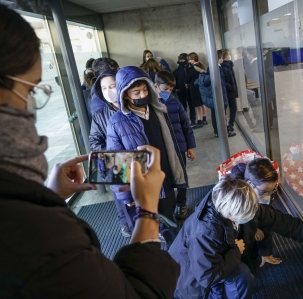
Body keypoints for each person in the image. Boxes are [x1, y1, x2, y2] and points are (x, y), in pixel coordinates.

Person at [0, 4, 179, 297]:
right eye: (31, 90)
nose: (31, 111)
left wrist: (48, 197)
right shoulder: (29, 239)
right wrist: (146, 210)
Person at [169, 175, 303, 299]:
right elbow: (206, 277)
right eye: (245, 215)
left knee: (244, 260)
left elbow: (276, 218)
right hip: (192, 282)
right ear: (230, 213)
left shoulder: (238, 202)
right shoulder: (205, 231)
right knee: (242, 275)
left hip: (214, 260)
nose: (252, 215)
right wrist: (235, 251)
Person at [106, 66, 187, 243]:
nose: (142, 95)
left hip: (164, 176)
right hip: (141, 187)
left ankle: (177, 257)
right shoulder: (116, 123)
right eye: (136, 92)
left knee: (169, 221)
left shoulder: (158, 110)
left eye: (144, 90)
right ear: (125, 94)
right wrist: (126, 196)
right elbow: (116, 164)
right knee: (149, 230)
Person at [89, 69, 133, 237]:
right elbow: (94, 141)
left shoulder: (134, 106)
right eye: (104, 88)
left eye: (113, 86)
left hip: (141, 161)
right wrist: (114, 154)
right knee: (123, 198)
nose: (109, 91)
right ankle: (127, 225)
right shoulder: (100, 114)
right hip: (117, 163)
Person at [154, 70, 196, 220]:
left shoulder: (175, 102)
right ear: (156, 86)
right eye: (165, 89)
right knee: (166, 180)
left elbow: (186, 125)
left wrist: (189, 147)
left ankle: (182, 204)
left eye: (171, 90)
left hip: (179, 148)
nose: (168, 93)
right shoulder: (150, 105)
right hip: (163, 151)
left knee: (181, 177)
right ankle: (169, 207)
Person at [231, 158, 281, 267]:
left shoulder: (259, 189)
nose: (267, 196)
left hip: (244, 228)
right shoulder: (232, 197)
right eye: (264, 192)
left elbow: (266, 222)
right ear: (250, 184)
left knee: (263, 223)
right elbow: (230, 226)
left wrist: (265, 252)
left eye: (271, 191)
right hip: (231, 238)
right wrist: (252, 228)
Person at [196, 50, 235, 138]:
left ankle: (217, 131)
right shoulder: (216, 68)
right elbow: (220, 82)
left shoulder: (212, 67)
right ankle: (222, 132)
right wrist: (230, 86)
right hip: (219, 95)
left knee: (215, 114)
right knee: (221, 115)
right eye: (221, 58)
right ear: (219, 59)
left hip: (216, 95)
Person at [185, 52, 207, 129]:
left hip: (194, 88)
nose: (188, 61)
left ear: (193, 59)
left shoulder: (191, 68)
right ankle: (204, 119)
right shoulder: (201, 66)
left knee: (197, 106)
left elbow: (187, 80)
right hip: (201, 87)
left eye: (189, 60)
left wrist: (186, 83)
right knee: (202, 104)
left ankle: (199, 121)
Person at [173, 53, 196, 125]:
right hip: (181, 91)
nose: (182, 61)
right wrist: (174, 89)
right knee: (183, 107)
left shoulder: (191, 69)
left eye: (184, 59)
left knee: (192, 106)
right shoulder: (176, 71)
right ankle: (186, 121)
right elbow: (173, 81)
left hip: (190, 91)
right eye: (181, 59)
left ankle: (193, 120)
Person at [221, 49, 238, 133]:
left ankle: (230, 124)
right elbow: (223, 80)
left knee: (233, 108)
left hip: (232, 91)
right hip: (226, 91)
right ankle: (224, 126)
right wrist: (230, 87)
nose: (229, 55)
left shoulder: (230, 65)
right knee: (224, 109)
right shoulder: (222, 66)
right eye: (228, 54)